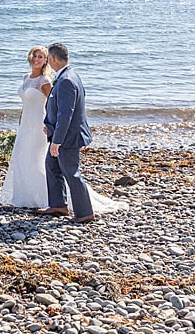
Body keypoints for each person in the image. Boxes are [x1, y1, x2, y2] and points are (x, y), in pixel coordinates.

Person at [37, 42, 127, 223]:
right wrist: (50, 125)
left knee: (71, 172)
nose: (48, 63)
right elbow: (59, 110)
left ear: (53, 59)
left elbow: (66, 114)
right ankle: (59, 205)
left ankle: (84, 213)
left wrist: (57, 141)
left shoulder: (67, 80)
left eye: (48, 59)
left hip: (68, 137)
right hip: (61, 133)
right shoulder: (67, 76)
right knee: (51, 166)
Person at [0, 46, 54, 208]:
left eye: (41, 57)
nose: (36, 59)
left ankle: (46, 198)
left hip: (39, 125)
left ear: (45, 61)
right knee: (21, 157)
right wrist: (21, 117)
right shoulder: (26, 77)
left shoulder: (45, 81)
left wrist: (49, 124)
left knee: (35, 159)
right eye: (34, 56)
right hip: (25, 125)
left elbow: (52, 104)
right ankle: (24, 196)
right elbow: (26, 101)